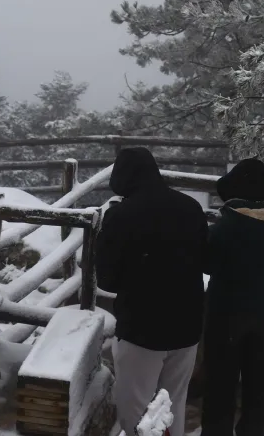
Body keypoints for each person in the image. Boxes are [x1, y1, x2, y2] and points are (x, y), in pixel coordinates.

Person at [95, 147, 209, 436]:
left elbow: (107, 280)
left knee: (137, 414)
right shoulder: (190, 207)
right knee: (173, 406)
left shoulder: (121, 216)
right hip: (187, 326)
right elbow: (204, 260)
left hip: (142, 330)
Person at [201, 158, 264, 436]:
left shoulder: (229, 227)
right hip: (263, 309)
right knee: (258, 381)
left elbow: (208, 263)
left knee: (220, 383)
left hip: (226, 311)